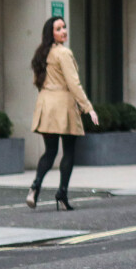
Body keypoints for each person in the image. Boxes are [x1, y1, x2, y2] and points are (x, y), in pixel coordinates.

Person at [27, 16, 99, 210]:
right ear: (51, 33)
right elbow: (73, 84)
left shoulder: (41, 54)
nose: (64, 31)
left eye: (64, 27)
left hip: (46, 105)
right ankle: (62, 193)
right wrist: (88, 108)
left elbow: (37, 81)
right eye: (59, 29)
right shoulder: (63, 53)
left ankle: (35, 187)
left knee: (50, 152)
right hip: (64, 106)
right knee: (68, 152)